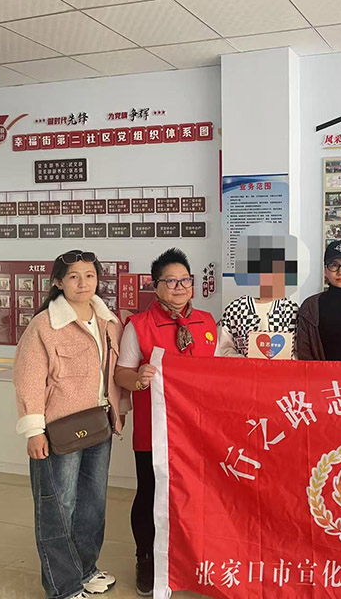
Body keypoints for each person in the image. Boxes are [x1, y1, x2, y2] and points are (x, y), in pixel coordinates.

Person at [14, 250, 125, 599]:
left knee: (92, 504)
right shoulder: (44, 325)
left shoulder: (109, 321)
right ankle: (63, 586)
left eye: (89, 276)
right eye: (74, 276)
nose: (83, 283)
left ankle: (86, 570)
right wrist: (34, 430)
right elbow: (29, 379)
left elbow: (112, 375)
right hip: (57, 431)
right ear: (59, 282)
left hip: (99, 425)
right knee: (58, 507)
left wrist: (119, 411)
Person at [113, 248, 217, 596]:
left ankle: (191, 556)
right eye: (170, 281)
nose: (179, 287)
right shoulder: (139, 326)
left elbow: (223, 370)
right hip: (154, 430)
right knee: (150, 493)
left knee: (195, 494)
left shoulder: (207, 323)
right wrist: (138, 377)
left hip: (198, 430)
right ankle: (146, 557)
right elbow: (122, 373)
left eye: (185, 280)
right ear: (155, 286)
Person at [216, 235, 299, 357]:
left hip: (283, 369)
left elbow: (300, 351)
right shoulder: (234, 309)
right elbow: (225, 350)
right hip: (243, 369)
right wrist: (247, 362)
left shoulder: (292, 310)